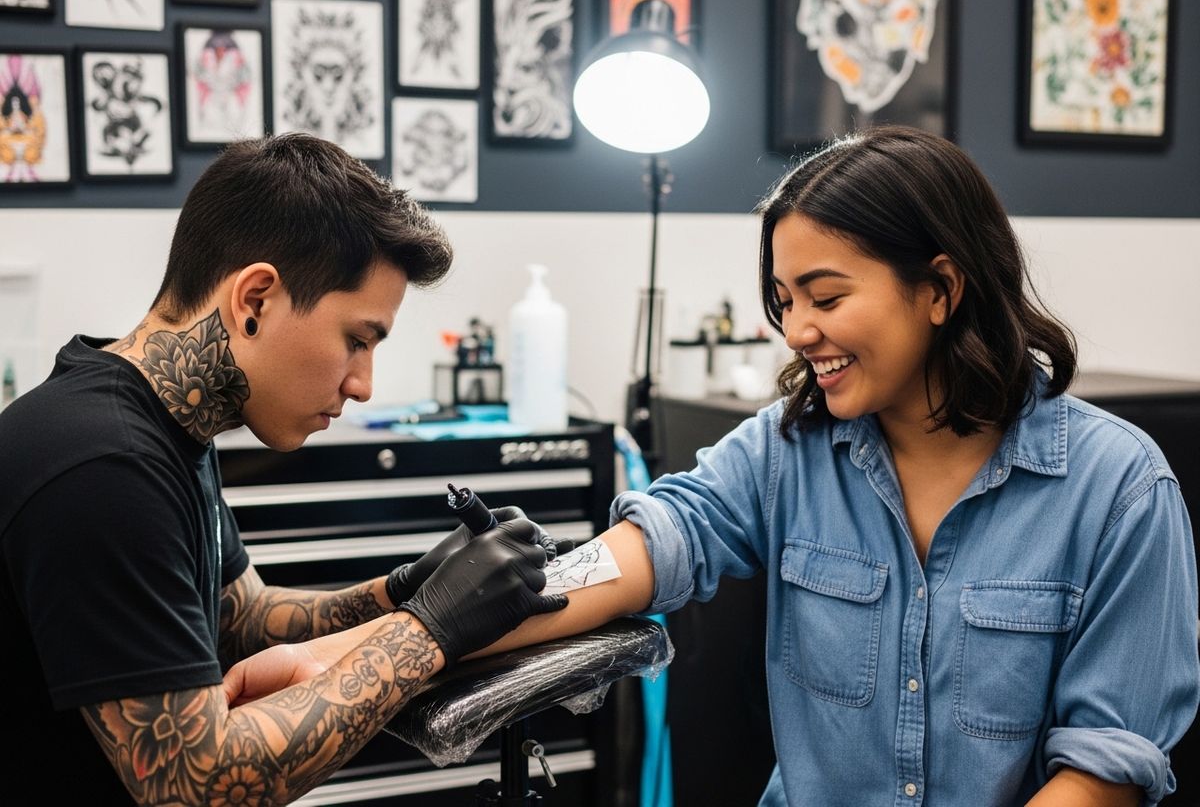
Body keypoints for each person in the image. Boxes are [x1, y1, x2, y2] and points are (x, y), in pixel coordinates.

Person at [239, 126, 1199, 806]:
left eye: (825, 295)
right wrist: (341, 657)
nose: (798, 330)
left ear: (940, 288)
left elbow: (1108, 767)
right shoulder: (787, 451)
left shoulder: (1120, 492)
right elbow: (638, 550)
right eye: (783, 299)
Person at [0, 132, 569, 806]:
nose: (362, 384)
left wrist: (409, 587)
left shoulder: (167, 423)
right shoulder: (103, 466)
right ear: (255, 301)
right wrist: (432, 629)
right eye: (356, 340)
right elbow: (199, 786)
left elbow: (241, 619)